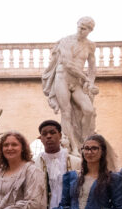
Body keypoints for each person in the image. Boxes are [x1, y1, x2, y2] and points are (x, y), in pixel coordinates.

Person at [41, 16, 99, 153]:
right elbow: (68, 64)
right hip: (63, 79)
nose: (80, 30)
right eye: (79, 26)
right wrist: (85, 78)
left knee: (88, 110)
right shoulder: (66, 41)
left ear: (90, 30)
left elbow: (92, 66)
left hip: (77, 82)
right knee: (66, 113)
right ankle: (73, 147)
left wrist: (91, 82)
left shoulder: (90, 45)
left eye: (84, 28)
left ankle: (85, 141)